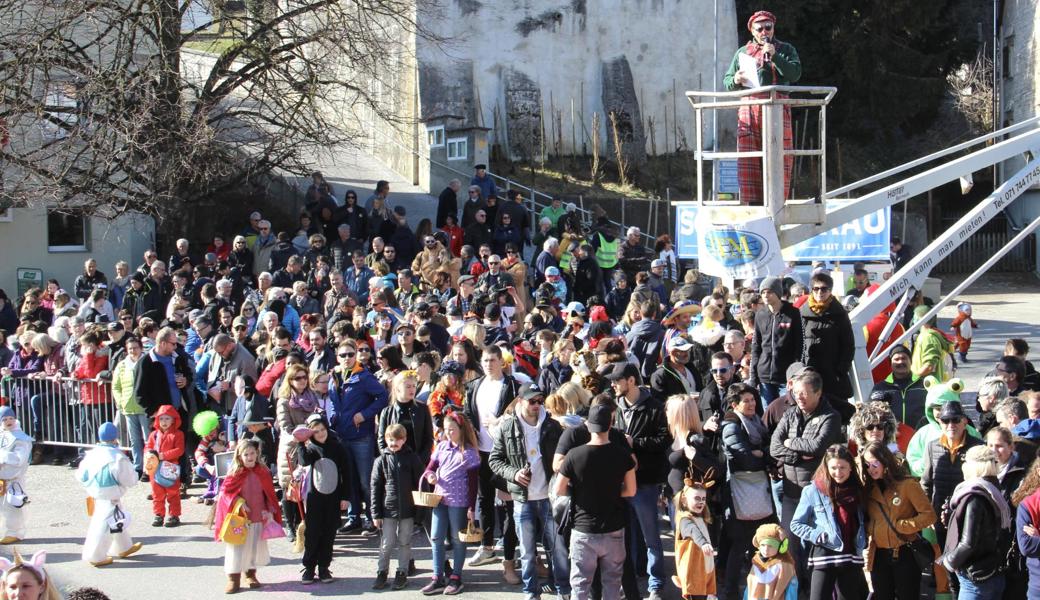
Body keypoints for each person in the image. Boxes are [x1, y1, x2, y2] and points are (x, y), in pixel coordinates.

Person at [489, 384, 570, 600]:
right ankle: (531, 592)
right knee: (527, 551)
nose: (536, 405)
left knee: (558, 548)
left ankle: (563, 590)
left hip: (549, 497)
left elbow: (565, 456)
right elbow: (494, 460)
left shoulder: (552, 426)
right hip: (522, 498)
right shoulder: (507, 427)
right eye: (532, 401)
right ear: (521, 401)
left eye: (539, 401)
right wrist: (514, 474)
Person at [554, 402, 637, 600]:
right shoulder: (623, 455)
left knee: (580, 586)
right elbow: (631, 490)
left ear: (588, 426)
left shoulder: (574, 455)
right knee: (612, 584)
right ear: (610, 425)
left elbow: (559, 489)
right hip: (614, 528)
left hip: (583, 529)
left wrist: (579, 492)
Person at [606, 362, 671, 600]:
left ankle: (656, 585)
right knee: (625, 537)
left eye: (617, 380)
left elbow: (665, 440)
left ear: (631, 380)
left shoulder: (655, 408)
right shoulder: (615, 408)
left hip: (645, 482)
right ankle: (630, 581)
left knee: (651, 536)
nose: (613, 384)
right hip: (621, 483)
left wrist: (636, 443)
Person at [722, 10, 801, 205]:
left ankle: (777, 201)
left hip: (777, 108)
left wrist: (775, 57)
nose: (765, 31)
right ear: (752, 31)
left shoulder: (786, 49)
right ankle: (753, 202)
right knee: (750, 160)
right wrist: (736, 79)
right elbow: (727, 81)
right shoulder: (742, 52)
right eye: (760, 28)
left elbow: (795, 74)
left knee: (778, 157)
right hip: (749, 110)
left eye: (769, 27)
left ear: (773, 28)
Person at [789, 444, 867, 600]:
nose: (838, 473)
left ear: (851, 467)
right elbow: (795, 524)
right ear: (826, 467)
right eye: (833, 468)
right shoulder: (813, 490)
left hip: (851, 555)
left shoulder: (858, 490)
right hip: (824, 554)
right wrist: (817, 535)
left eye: (843, 467)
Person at [859, 441, 935, 600]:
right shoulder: (867, 488)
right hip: (878, 554)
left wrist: (903, 525)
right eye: (867, 465)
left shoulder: (907, 485)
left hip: (904, 551)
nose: (871, 469)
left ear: (885, 461)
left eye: (874, 463)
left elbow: (929, 515)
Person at [720, 383, 775, 599]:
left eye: (753, 399)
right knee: (741, 542)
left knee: (758, 541)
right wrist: (762, 455)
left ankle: (756, 588)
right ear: (734, 405)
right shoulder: (732, 426)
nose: (752, 404)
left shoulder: (755, 422)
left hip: (756, 489)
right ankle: (731, 591)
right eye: (746, 401)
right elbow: (746, 459)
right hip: (740, 492)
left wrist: (761, 453)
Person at [769, 368, 841, 530]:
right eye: (796, 392)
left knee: (816, 542)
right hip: (791, 492)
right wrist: (798, 457)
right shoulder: (789, 415)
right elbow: (774, 447)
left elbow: (817, 446)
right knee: (790, 543)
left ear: (818, 393)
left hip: (818, 493)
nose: (799, 397)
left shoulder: (830, 417)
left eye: (804, 393)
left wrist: (789, 442)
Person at [938, 446, 1013, 600]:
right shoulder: (994, 489)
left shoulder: (974, 496)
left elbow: (968, 543)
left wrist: (948, 562)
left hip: (975, 577)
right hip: (994, 572)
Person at [330, 339, 389, 534]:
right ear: (337, 357)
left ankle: (373, 518)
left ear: (356, 356)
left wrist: (364, 414)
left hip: (361, 436)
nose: (347, 358)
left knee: (365, 480)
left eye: (350, 354)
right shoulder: (335, 376)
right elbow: (331, 401)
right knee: (350, 480)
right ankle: (354, 517)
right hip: (341, 434)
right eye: (343, 355)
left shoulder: (363, 376)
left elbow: (382, 397)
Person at [421, 411, 481, 596]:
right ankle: (437, 576)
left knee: (457, 539)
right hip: (439, 499)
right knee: (437, 537)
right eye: (446, 430)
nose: (448, 433)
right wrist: (430, 475)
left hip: (459, 501)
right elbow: (430, 468)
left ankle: (456, 576)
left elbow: (473, 483)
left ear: (461, 430)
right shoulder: (441, 447)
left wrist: (471, 507)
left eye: (452, 430)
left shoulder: (469, 453)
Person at [214, 440, 281, 594]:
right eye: (246, 454)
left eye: (252, 453)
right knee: (236, 549)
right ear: (239, 456)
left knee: (253, 548)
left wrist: (270, 509)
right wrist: (238, 502)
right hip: (240, 520)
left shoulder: (262, 472)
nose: (250, 457)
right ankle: (233, 578)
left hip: (258, 516)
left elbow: (268, 494)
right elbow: (226, 493)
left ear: (257, 454)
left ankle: (250, 574)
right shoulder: (235, 474)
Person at [76, 422, 143, 566]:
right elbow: (128, 479)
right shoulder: (117, 457)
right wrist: (136, 477)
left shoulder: (91, 454)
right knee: (103, 525)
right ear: (115, 438)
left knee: (116, 517)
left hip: (95, 492)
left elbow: (81, 475)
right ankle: (95, 556)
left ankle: (123, 546)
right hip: (110, 493)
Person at [297, 413, 351, 584]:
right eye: (315, 431)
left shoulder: (338, 447)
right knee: (312, 533)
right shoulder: (311, 449)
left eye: (322, 429)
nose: (320, 433)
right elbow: (304, 461)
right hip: (315, 498)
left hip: (333, 498)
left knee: (329, 533)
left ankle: (324, 568)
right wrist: (300, 442)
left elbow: (347, 473)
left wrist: (345, 496)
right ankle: (309, 567)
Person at [372, 423, 424, 590]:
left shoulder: (412, 458)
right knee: (386, 543)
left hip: (408, 509)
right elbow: (375, 487)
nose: (394, 443)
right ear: (386, 439)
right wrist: (375, 513)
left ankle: (402, 572)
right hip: (388, 510)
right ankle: (382, 572)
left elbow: (420, 483)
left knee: (404, 541)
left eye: (398, 439)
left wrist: (420, 510)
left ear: (404, 440)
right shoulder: (381, 460)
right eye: (390, 439)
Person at [800, 273, 854, 401]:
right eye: (816, 288)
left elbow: (848, 345)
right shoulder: (802, 313)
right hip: (809, 372)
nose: (820, 292)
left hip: (833, 375)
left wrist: (841, 370)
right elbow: (798, 344)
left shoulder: (840, 314)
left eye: (824, 289)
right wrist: (801, 368)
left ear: (830, 290)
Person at [749, 276, 803, 406]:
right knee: (768, 414)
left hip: (786, 375)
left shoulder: (793, 313)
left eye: (769, 291)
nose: (766, 295)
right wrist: (753, 375)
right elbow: (756, 346)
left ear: (778, 293)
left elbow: (799, 344)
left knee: (787, 411)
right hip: (765, 375)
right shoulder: (760, 315)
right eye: (763, 292)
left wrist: (796, 371)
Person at [672, 479, 718, 600]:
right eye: (697, 498)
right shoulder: (685, 520)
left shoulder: (699, 518)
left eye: (703, 499)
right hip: (693, 575)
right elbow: (693, 531)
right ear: (684, 500)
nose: (701, 502)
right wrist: (703, 543)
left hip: (704, 571)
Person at [143, 405, 184, 528]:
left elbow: (179, 450)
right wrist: (149, 454)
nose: (164, 422)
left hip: (170, 467)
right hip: (155, 468)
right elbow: (147, 447)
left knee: (173, 493)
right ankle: (159, 514)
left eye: (167, 419)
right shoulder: (154, 435)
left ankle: (174, 515)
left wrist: (162, 455)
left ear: (173, 420)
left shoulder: (178, 434)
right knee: (157, 492)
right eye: (161, 419)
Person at [870, 344, 928, 428]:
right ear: (890, 363)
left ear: (910, 361)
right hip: (892, 437)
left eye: (904, 358)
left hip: (919, 436)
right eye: (896, 359)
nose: (900, 362)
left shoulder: (924, 385)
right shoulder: (880, 388)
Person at [0, 407, 31, 545]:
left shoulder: (20, 438)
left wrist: (3, 458)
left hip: (13, 478)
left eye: (11, 418)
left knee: (12, 504)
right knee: (3, 506)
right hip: (1, 478)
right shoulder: (2, 434)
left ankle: (15, 532)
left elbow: (20, 458)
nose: (8, 421)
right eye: (5, 419)